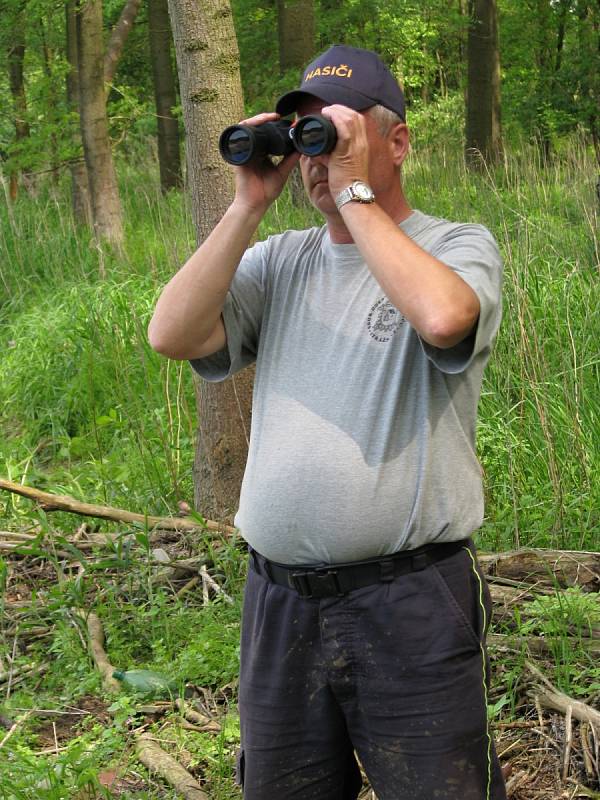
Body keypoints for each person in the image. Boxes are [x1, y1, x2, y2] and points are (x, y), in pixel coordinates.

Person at [149, 44, 507, 800]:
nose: (315, 158)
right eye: (301, 137)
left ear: (398, 141)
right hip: (279, 604)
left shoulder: (455, 246)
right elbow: (172, 334)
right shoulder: (280, 260)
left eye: (332, 133)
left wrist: (355, 196)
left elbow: (445, 318)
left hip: (408, 602)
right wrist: (248, 201)